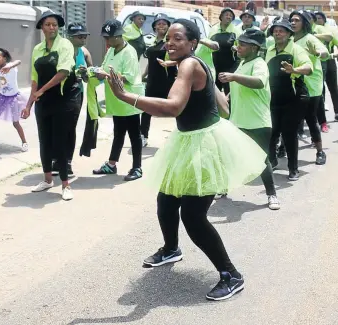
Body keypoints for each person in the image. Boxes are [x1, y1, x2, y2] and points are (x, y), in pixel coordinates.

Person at [106, 19, 267, 301]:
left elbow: (173, 107)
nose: (170, 43)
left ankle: (231, 275)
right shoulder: (193, 63)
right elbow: (223, 107)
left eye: (178, 38)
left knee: (193, 216)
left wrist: (125, 95)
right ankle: (171, 249)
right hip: (188, 140)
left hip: (202, 145)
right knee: (166, 198)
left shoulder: (190, 65)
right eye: (168, 38)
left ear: (193, 43)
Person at [22, 10, 80, 201]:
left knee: (60, 142)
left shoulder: (65, 45)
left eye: (55, 24)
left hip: (62, 100)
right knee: (44, 141)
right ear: (42, 27)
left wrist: (42, 91)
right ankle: (47, 180)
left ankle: (65, 184)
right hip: (43, 103)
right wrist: (29, 104)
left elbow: (63, 72)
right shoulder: (37, 49)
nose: (52, 27)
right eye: (48, 24)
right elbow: (34, 79)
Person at [219, 28, 280, 210]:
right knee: (228, 156)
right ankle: (223, 188)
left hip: (257, 122)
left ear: (254, 48)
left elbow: (259, 82)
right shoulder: (243, 62)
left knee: (261, 159)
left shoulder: (259, 63)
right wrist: (230, 97)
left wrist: (234, 77)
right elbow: (241, 87)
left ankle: (272, 195)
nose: (238, 47)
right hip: (238, 121)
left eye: (243, 45)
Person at [93, 19, 144, 181]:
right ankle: (112, 164)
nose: (106, 41)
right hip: (116, 100)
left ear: (119, 35)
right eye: (105, 38)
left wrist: (106, 75)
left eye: (109, 38)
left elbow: (128, 78)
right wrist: (95, 71)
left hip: (129, 100)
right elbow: (105, 66)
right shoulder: (111, 50)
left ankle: (137, 168)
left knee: (134, 134)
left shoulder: (129, 52)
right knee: (118, 133)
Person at [265, 19, 313, 181]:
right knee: (272, 132)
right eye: (275, 31)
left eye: (282, 31)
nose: (278, 33)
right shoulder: (269, 50)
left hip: (294, 98)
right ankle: (272, 161)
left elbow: (309, 68)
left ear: (289, 34)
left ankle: (293, 169)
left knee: (289, 133)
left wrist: (294, 70)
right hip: (274, 97)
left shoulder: (296, 50)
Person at [51, 22, 93, 177]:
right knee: (56, 127)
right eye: (79, 36)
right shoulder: (59, 51)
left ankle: (67, 161)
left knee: (70, 127)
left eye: (85, 36)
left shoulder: (85, 52)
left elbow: (90, 77)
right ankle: (55, 159)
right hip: (59, 93)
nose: (83, 39)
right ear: (69, 37)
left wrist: (85, 73)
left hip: (76, 94)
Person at [289, 10, 327, 166]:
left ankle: (320, 151)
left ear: (304, 23)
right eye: (291, 20)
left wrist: (318, 52)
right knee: (290, 119)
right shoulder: (288, 39)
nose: (293, 23)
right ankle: (284, 148)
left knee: (311, 118)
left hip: (311, 84)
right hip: (293, 83)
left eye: (296, 20)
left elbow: (324, 52)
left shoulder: (310, 38)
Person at [141, 13, 176, 148]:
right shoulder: (152, 42)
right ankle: (143, 136)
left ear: (168, 26)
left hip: (168, 82)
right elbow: (151, 63)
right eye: (158, 23)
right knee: (146, 109)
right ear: (154, 26)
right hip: (152, 82)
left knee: (176, 110)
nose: (161, 26)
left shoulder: (171, 43)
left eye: (164, 24)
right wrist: (143, 76)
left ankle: (181, 136)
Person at [315, 11, 338, 123]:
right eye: (316, 18)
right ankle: (320, 116)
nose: (318, 20)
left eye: (320, 18)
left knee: (333, 87)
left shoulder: (331, 30)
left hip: (330, 60)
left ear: (324, 19)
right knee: (320, 88)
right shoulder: (312, 29)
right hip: (317, 61)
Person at [209, 7, 238, 95]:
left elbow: (240, 46)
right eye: (226, 15)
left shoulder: (236, 31)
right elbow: (207, 45)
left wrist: (235, 47)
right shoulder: (213, 30)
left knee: (229, 93)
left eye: (231, 16)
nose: (229, 17)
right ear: (221, 17)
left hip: (229, 67)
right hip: (215, 65)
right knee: (214, 92)